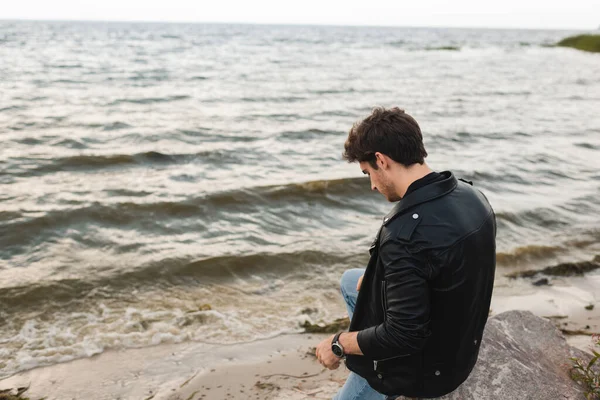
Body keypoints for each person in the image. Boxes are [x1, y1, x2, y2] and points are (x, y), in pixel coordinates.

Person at [315, 107, 496, 399]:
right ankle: (367, 354)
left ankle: (374, 374)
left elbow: (403, 335)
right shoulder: (471, 195)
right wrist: (377, 280)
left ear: (381, 160)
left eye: (368, 173)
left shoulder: (405, 235)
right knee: (352, 280)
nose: (372, 185)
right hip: (460, 342)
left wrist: (339, 344)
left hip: (429, 371)